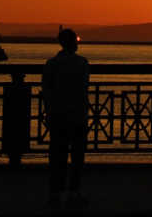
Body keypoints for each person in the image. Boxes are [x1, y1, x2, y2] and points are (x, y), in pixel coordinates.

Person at [42, 26, 90, 210]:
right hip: (77, 115)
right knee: (77, 156)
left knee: (57, 156)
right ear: (74, 44)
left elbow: (47, 91)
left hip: (58, 115)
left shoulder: (51, 64)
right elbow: (83, 89)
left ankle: (55, 193)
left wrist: (48, 112)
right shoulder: (82, 64)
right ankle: (74, 192)